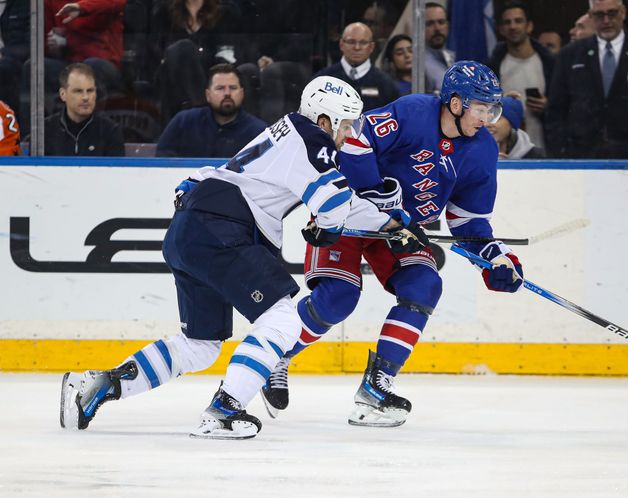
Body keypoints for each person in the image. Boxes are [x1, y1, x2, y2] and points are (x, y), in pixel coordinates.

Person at [59, 75, 427, 440]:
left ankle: (96, 386)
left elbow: (334, 201)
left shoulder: (286, 131)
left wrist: (393, 223)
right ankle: (223, 411)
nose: (350, 133)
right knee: (283, 321)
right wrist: (336, 226)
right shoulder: (313, 140)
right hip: (223, 230)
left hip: (194, 229)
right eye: (345, 124)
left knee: (200, 346)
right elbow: (332, 204)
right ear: (324, 120)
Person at [261, 61, 525, 428]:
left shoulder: (482, 150)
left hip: (399, 232)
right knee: (337, 298)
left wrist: (496, 258)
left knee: (425, 285)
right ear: (454, 102)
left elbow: (469, 220)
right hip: (348, 212)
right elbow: (354, 141)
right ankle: (275, 357)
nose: (488, 118)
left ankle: (377, 385)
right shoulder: (413, 112)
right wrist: (377, 198)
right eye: (481, 107)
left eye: (491, 109)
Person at [546, 0, 628, 159]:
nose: (606, 21)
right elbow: (556, 111)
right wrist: (563, 152)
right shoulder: (570, 55)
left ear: (623, 12)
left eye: (612, 13)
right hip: (582, 159)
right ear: (591, 15)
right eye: (600, 15)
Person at [149, 0, 245, 124]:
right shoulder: (163, 13)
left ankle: (199, 117)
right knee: (182, 48)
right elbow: (154, 53)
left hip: (210, 81)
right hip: (170, 83)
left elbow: (227, 54)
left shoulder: (225, 13)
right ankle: (201, 118)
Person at [487, 1, 555, 152]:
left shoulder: (550, 64)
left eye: (518, 21)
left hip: (545, 148)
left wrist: (548, 106)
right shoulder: (492, 68)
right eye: (507, 22)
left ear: (529, 26)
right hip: (505, 152)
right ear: (500, 29)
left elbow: (565, 107)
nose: (513, 26)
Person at [157, 64, 266, 158]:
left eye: (233, 88)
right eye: (220, 88)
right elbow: (162, 161)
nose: (227, 93)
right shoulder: (183, 121)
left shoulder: (258, 132)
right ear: (208, 95)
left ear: (242, 93)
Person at [315, 22, 399, 111]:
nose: (357, 47)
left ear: (371, 47)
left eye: (363, 42)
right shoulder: (322, 80)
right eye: (351, 42)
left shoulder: (386, 84)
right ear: (341, 44)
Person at [44, 63, 124, 156]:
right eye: (78, 91)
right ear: (63, 94)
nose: (86, 97)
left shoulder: (110, 131)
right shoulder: (45, 130)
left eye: (90, 91)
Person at [424, 2, 455, 93]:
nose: (437, 28)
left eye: (441, 22)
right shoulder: (417, 64)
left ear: (447, 26)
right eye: (429, 24)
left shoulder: (453, 58)